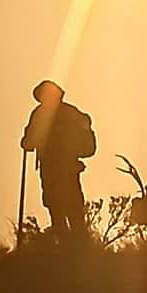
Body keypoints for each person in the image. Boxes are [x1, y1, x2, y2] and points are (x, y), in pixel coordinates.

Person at [20, 80, 96, 238]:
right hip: (60, 168)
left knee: (64, 209)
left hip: (59, 169)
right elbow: (30, 141)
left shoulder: (42, 113)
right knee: (63, 208)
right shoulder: (67, 112)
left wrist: (27, 140)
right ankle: (73, 248)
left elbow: (29, 142)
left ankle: (73, 248)